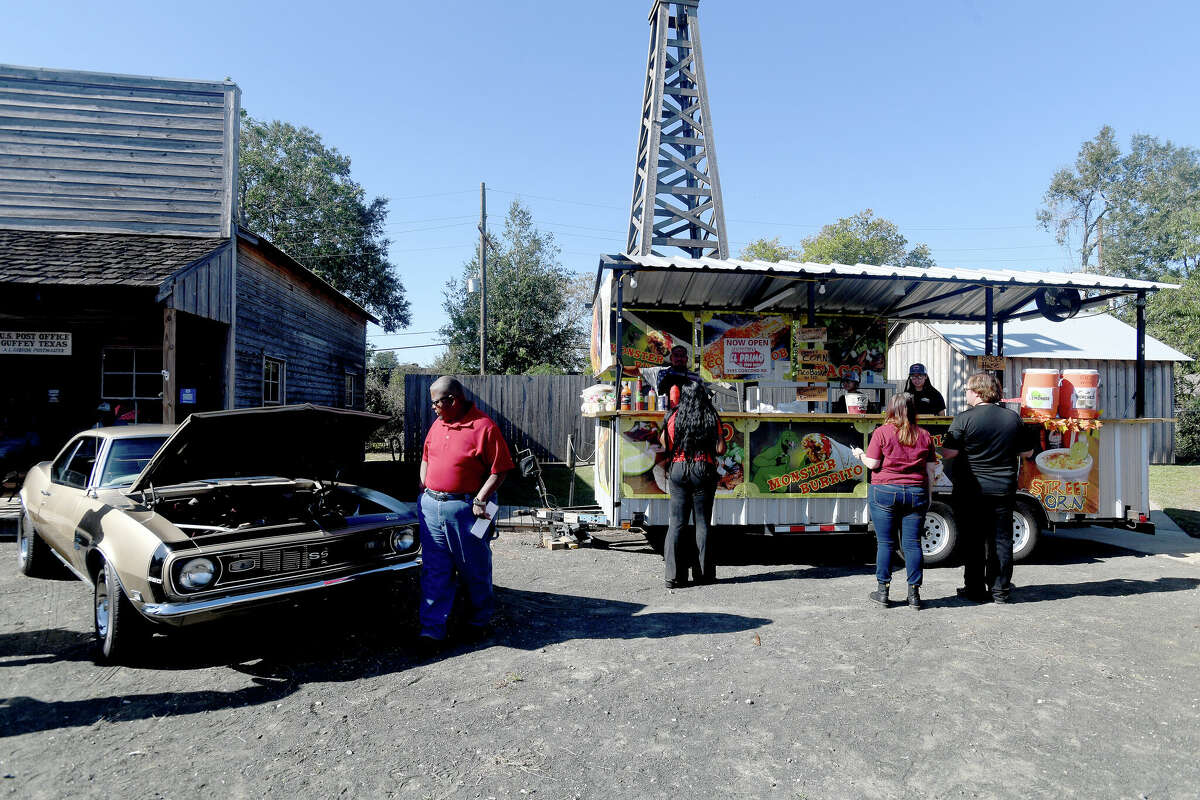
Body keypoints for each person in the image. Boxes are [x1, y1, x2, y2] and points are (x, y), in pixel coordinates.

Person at [418, 376, 515, 647]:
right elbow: (426, 456)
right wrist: (425, 487)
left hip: (471, 510)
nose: (433, 408)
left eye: (436, 402)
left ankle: (478, 622)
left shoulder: (484, 427)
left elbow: (501, 469)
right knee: (435, 570)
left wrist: (482, 499)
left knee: (475, 568)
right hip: (431, 508)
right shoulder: (438, 424)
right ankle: (432, 629)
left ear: (453, 400)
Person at [938, 372, 1034, 604]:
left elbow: (950, 453)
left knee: (973, 540)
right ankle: (1000, 590)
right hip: (1003, 490)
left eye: (968, 391)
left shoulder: (964, 418)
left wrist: (940, 449)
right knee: (1001, 540)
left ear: (979, 392)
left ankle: (974, 589)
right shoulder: (1012, 418)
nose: (966, 395)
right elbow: (1027, 452)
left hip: (971, 491)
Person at [852, 393, 938, 610]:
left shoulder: (882, 433)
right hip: (916, 492)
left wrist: (860, 454)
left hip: (884, 492)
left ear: (890, 409)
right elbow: (930, 470)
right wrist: (928, 496)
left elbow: (872, 464)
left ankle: (883, 592)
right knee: (912, 544)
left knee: (886, 543)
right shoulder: (925, 435)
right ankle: (914, 596)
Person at [657, 381, 725, 588]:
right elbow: (720, 449)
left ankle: (673, 576)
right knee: (702, 523)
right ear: (703, 395)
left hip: (678, 468)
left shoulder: (673, 415)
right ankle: (703, 575)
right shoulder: (711, 415)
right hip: (703, 468)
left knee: (676, 523)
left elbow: (662, 445)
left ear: (682, 397)